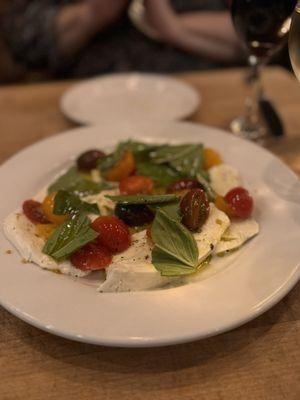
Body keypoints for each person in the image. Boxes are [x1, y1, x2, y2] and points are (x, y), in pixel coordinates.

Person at [1, 0, 243, 79]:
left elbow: (259, 32)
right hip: (82, 98)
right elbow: (25, 44)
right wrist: (96, 11)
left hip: (205, 92)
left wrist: (173, 28)